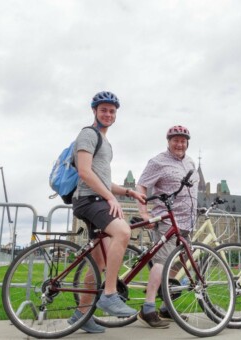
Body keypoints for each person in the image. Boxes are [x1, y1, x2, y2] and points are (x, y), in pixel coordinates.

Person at [70, 91, 147, 333]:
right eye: (103, 110)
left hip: (96, 197)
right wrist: (109, 197)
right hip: (88, 199)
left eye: (112, 111)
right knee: (123, 231)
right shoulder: (88, 135)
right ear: (94, 111)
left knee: (99, 261)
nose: (108, 114)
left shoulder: (105, 142)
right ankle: (109, 294)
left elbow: (103, 179)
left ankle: (80, 315)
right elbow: (84, 172)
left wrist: (128, 192)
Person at [136, 125, 199, 328]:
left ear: (187, 143)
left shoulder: (190, 162)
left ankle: (166, 307)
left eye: (183, 141)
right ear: (168, 142)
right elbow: (142, 185)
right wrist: (144, 212)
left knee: (178, 265)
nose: (179, 144)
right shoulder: (158, 162)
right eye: (175, 140)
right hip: (166, 221)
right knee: (162, 263)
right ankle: (148, 307)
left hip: (187, 223)